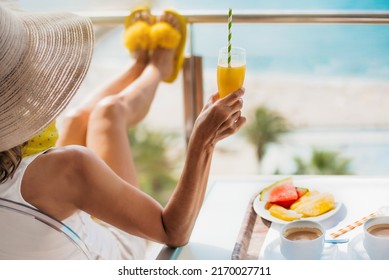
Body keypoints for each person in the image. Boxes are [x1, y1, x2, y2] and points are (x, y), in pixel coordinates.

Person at [0, 3, 246, 259]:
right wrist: (203, 141)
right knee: (109, 112)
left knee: (75, 119)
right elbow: (172, 230)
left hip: (57, 234)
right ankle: (157, 66)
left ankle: (140, 65)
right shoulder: (70, 167)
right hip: (119, 252)